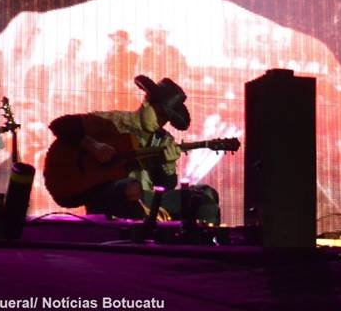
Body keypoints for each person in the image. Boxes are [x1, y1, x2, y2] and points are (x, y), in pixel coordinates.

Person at [47, 75, 219, 222]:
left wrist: (168, 167)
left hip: (147, 200)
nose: (160, 121)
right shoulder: (113, 122)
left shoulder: (164, 140)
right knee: (130, 187)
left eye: (165, 118)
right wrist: (94, 146)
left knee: (204, 196)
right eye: (158, 113)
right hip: (107, 197)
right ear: (146, 102)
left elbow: (165, 187)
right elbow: (61, 125)